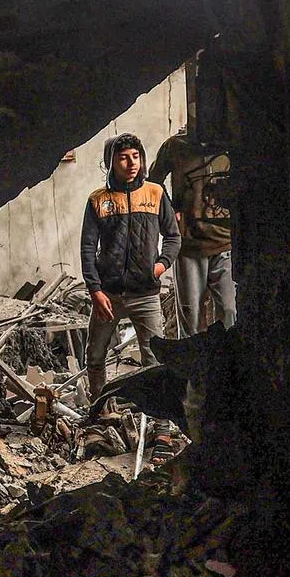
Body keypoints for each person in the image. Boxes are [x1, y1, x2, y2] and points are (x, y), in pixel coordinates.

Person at [80, 133, 181, 399]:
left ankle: (159, 421)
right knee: (95, 356)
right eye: (124, 158)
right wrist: (95, 290)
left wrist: (160, 266)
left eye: (136, 156)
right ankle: (101, 412)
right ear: (111, 162)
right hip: (108, 296)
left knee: (155, 360)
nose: (132, 163)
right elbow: (87, 249)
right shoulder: (98, 200)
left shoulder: (155, 193)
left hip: (146, 294)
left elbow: (173, 236)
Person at [148, 128, 235, 336]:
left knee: (230, 313)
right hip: (189, 245)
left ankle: (228, 356)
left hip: (225, 242)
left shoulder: (232, 143)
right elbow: (153, 182)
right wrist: (169, 213)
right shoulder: (175, 146)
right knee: (192, 319)